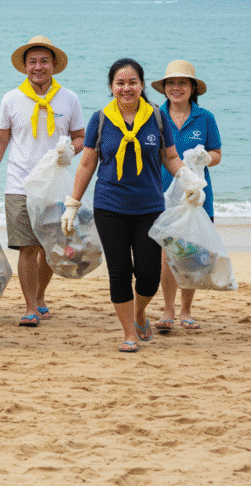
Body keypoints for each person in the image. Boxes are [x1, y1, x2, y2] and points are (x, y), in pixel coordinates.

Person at [61, 58, 202, 353]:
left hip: (149, 206)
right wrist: (72, 203)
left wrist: (189, 180)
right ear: (111, 86)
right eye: (120, 83)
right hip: (109, 206)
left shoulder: (157, 117)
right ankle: (129, 334)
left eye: (132, 82)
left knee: (149, 275)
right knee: (120, 272)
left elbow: (170, 157)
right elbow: (87, 163)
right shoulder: (101, 119)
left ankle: (139, 313)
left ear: (141, 85)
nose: (126, 88)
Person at [0, 36, 84, 326]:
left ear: (54, 65)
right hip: (19, 184)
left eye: (44, 61)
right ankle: (31, 306)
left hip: (55, 185)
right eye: (33, 62)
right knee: (27, 247)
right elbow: (0, 140)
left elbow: (81, 137)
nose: (38, 67)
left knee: (51, 246)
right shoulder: (11, 98)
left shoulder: (69, 98)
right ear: (24, 66)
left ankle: (40, 296)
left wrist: (70, 151)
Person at [151, 60, 222, 333]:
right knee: (168, 253)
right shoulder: (156, 116)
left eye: (182, 83)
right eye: (171, 83)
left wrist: (205, 157)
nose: (176, 87)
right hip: (163, 193)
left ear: (193, 88)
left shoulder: (205, 117)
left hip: (198, 195)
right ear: (164, 88)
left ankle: (186, 311)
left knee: (192, 253)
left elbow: (217, 153)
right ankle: (168, 310)